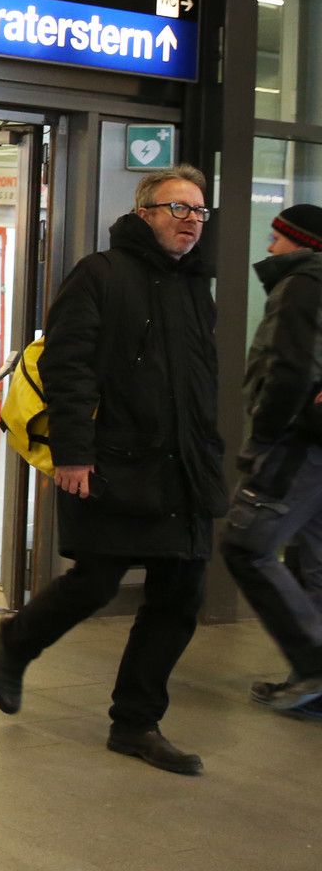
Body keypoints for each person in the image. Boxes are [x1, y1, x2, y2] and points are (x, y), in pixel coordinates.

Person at [0, 166, 226, 775]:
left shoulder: (198, 285)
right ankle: (16, 642)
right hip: (112, 460)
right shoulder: (100, 274)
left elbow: (199, 382)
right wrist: (72, 452)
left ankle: (136, 723)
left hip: (183, 468)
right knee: (95, 581)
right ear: (145, 212)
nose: (191, 221)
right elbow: (68, 369)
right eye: (179, 209)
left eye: (199, 212)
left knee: (180, 595)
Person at [223, 203, 322, 715]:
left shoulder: (303, 285)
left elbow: (289, 373)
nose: (269, 249)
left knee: (247, 544)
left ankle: (313, 665)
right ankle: (313, 684)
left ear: (301, 243)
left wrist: (261, 440)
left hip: (298, 446)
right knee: (316, 560)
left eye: (277, 239)